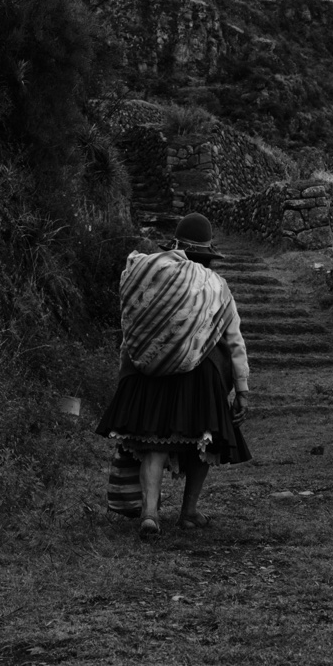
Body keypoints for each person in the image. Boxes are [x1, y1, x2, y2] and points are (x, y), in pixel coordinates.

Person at [96, 213, 251, 537]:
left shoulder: (150, 274)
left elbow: (133, 323)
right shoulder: (215, 286)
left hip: (149, 374)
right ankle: (188, 511)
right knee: (201, 443)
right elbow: (233, 339)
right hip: (198, 375)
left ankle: (150, 514)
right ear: (207, 256)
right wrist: (242, 388)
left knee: (154, 443)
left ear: (177, 248)